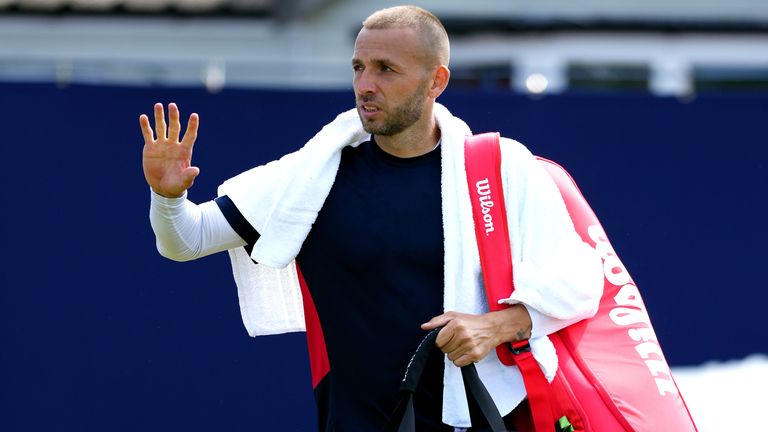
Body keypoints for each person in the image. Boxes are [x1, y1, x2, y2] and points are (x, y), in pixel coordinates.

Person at [141, 5, 603, 431]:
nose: (366, 84)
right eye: (359, 67)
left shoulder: (500, 167)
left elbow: (583, 280)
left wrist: (497, 324)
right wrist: (166, 197)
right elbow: (186, 239)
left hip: (479, 420)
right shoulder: (313, 174)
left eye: (386, 69)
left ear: (436, 81)